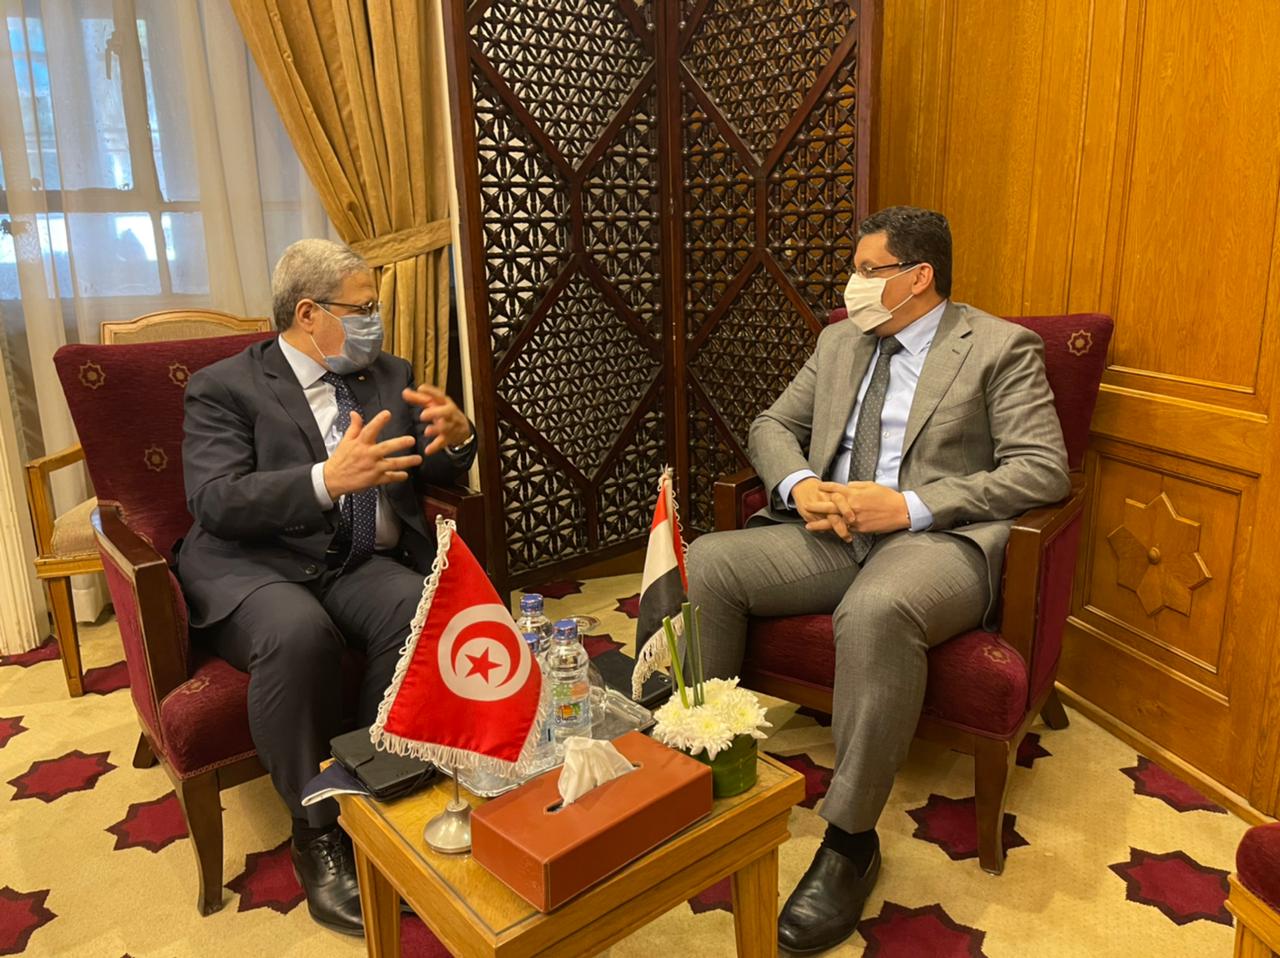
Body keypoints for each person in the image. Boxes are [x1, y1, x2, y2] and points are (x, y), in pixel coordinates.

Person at [687, 207, 1070, 953]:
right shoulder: (840, 340)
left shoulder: (999, 347)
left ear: (918, 276)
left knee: (875, 611)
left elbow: (1042, 469)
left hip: (936, 540)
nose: (852, 284)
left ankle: (850, 840)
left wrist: (911, 505)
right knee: (709, 560)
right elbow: (771, 425)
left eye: (867, 270)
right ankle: (703, 761)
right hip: (832, 529)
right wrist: (799, 485)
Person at [176, 239, 476, 936]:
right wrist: (323, 481)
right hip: (257, 563)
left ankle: (376, 788)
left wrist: (458, 439)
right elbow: (214, 500)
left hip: (352, 559)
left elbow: (427, 467)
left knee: (417, 607)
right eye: (362, 309)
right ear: (308, 313)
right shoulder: (224, 386)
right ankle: (316, 831)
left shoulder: (388, 374)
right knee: (298, 633)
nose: (376, 322)